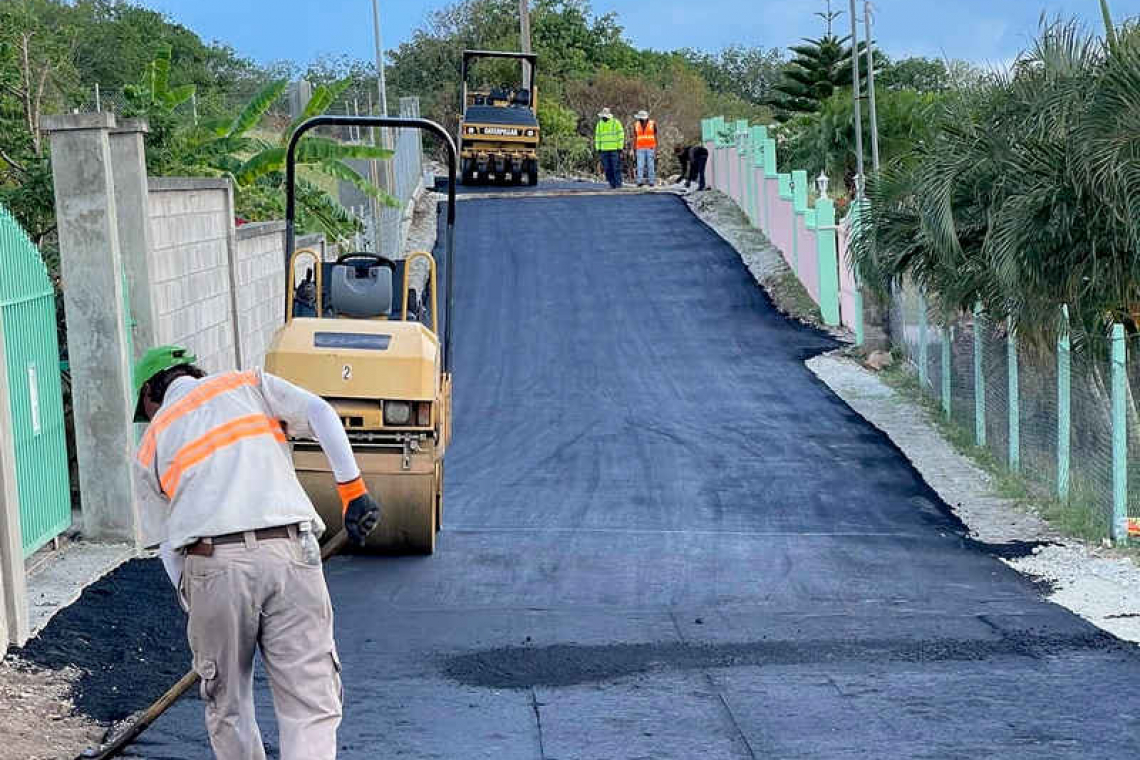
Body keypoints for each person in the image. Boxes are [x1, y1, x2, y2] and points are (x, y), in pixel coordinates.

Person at [131, 345, 382, 760]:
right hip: (290, 551)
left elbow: (168, 549)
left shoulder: (152, 440)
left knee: (228, 704)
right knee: (309, 701)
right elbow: (320, 412)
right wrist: (353, 493)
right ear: (191, 372)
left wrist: (194, 600)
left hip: (212, 564)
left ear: (148, 395)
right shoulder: (247, 384)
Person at [594, 107, 625, 189]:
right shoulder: (599, 124)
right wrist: (598, 148)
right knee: (607, 168)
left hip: (614, 149)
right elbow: (597, 137)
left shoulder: (616, 122)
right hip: (603, 149)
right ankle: (612, 183)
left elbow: (621, 135)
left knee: (615, 167)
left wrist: (620, 147)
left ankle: (618, 184)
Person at [632, 110, 657, 187]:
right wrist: (633, 148)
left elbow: (655, 135)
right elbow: (635, 137)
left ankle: (651, 181)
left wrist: (656, 148)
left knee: (650, 165)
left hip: (650, 147)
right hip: (639, 148)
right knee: (640, 165)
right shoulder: (636, 124)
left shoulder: (652, 123)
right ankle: (639, 182)